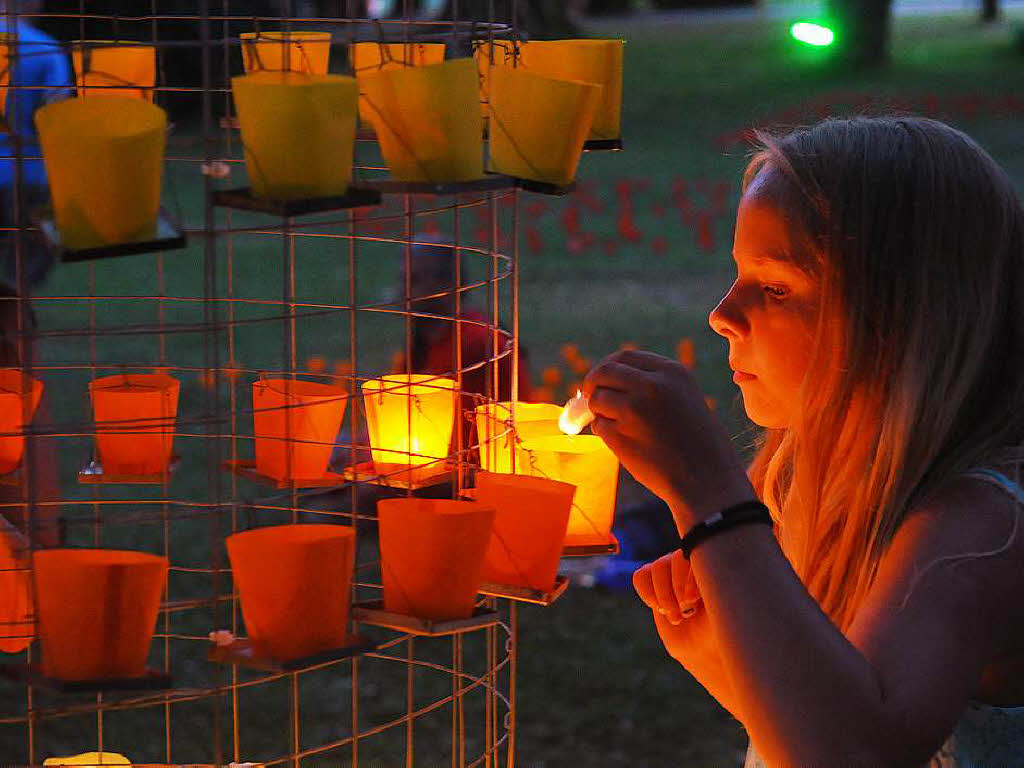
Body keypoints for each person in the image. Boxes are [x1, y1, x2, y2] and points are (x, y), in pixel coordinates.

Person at [583, 117, 1024, 766]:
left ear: (899, 321)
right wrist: (732, 668)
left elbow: (855, 756)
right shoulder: (815, 479)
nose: (722, 314)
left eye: (774, 287)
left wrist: (712, 502)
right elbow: (816, 732)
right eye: (737, 276)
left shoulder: (982, 527)